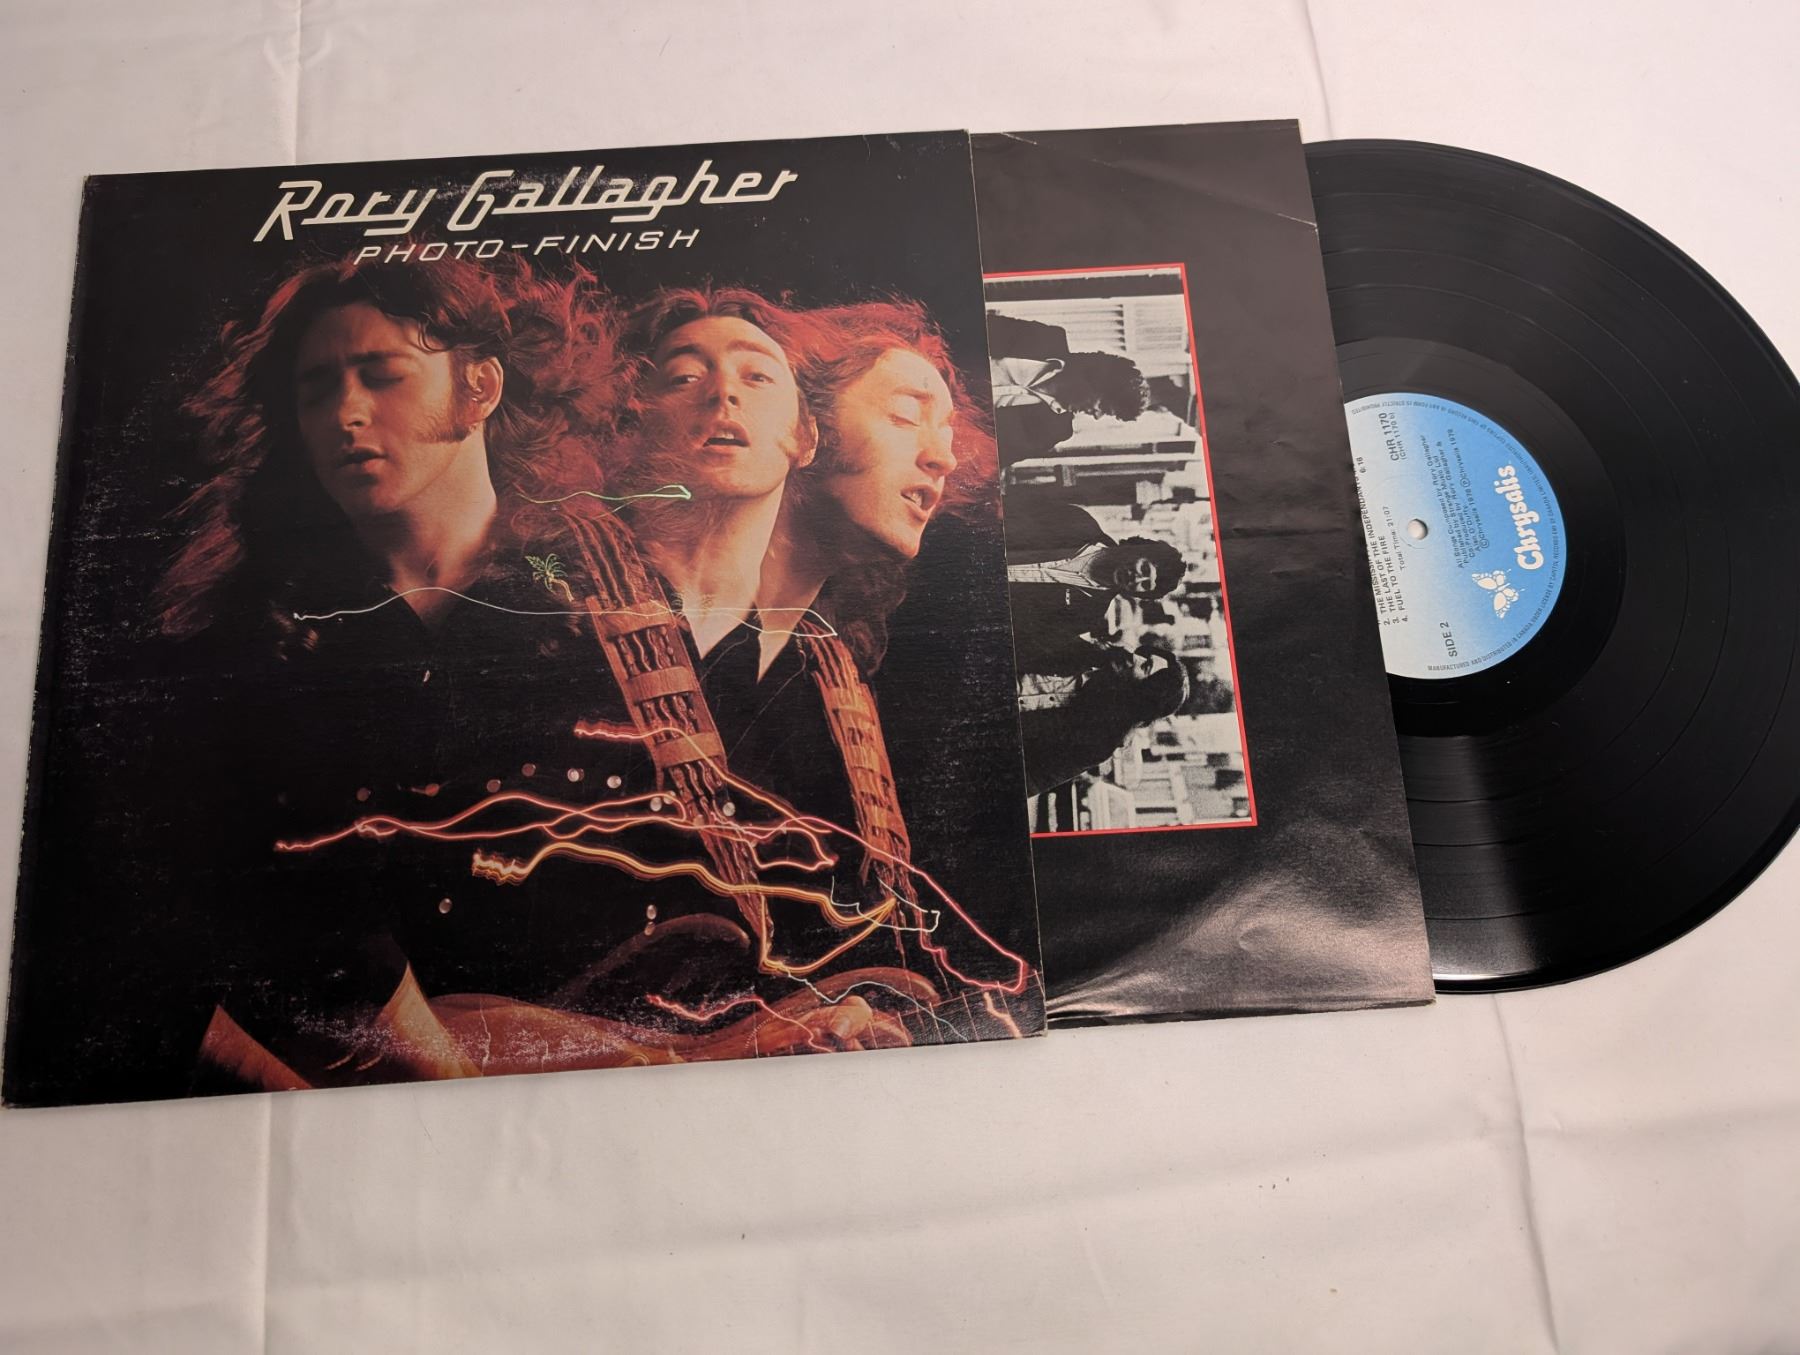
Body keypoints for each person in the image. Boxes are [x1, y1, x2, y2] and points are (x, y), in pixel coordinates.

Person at [153, 258, 905, 1092]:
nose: (346, 414)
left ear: (481, 387)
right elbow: (261, 934)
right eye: (317, 389)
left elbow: (745, 908)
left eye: (381, 375)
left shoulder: (615, 610)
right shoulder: (267, 644)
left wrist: (771, 1028)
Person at [1003, 489, 1184, 674]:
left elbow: (1019, 633)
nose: (1137, 578)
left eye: (1145, 585)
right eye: (1144, 569)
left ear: (1139, 594)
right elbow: (1008, 508)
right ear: (1138, 550)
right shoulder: (1080, 523)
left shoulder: (1088, 614)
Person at [1016, 642, 1191, 795]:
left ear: (1143, 695)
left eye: (1145, 667)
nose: (1135, 657)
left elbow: (1027, 780)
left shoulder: (1098, 742)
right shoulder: (1084, 651)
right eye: (1144, 656)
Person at [985, 311, 1150, 464]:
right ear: (1095, 380)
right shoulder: (1046, 337)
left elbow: (985, 461)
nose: (1097, 416)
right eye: (1104, 408)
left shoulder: (1052, 432)